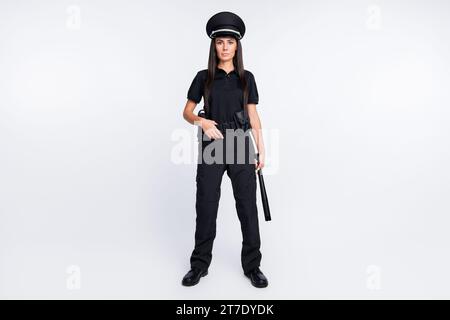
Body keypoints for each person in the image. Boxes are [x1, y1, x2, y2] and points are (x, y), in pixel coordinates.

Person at [181, 11, 268, 288]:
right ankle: (199, 265)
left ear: (237, 46)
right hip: (213, 144)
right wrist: (202, 121)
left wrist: (261, 149)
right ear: (214, 45)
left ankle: (253, 266)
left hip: (241, 144)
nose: (225, 47)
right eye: (220, 42)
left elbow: (253, 116)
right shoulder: (203, 77)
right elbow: (186, 111)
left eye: (230, 42)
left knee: (247, 207)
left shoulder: (247, 78)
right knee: (206, 205)